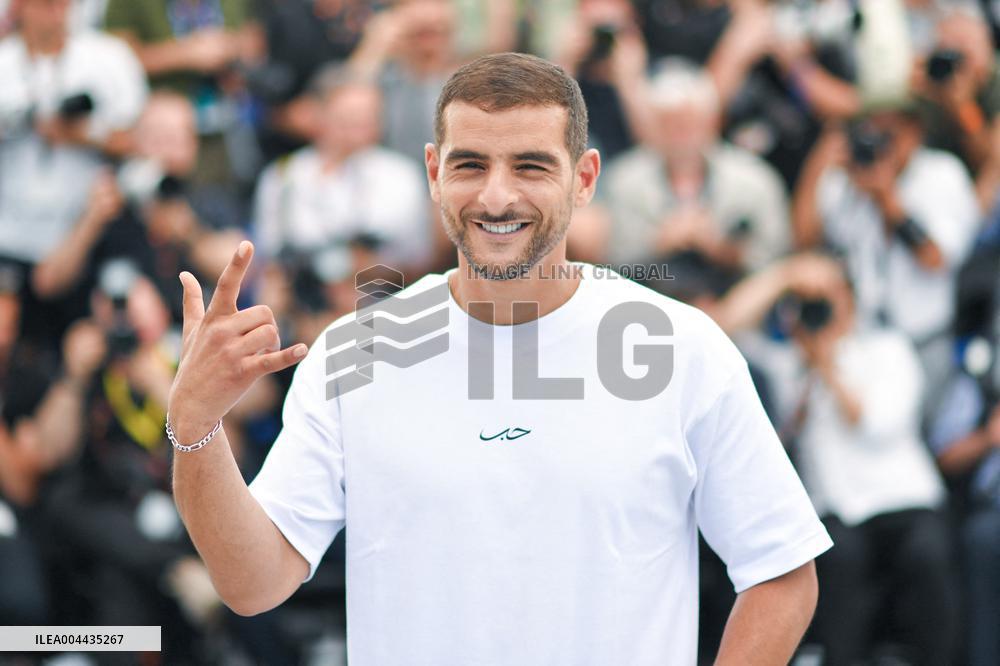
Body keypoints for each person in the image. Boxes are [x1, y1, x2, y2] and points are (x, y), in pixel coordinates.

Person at [168, 52, 832, 664]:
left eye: (531, 166)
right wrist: (196, 428)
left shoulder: (680, 348)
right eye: (470, 164)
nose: (496, 196)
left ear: (585, 178)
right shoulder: (361, 351)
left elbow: (782, 572)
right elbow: (252, 583)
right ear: (433, 172)